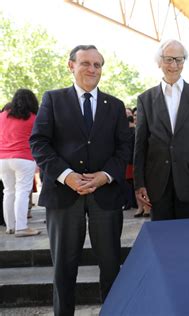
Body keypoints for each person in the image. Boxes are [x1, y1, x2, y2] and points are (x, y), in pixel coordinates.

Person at [29, 45, 131, 315]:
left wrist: (104, 176)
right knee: (64, 267)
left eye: (97, 65)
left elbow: (124, 149)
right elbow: (39, 143)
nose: (92, 69)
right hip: (64, 196)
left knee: (111, 266)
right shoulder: (53, 99)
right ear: (70, 65)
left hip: (105, 197)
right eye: (85, 63)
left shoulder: (115, 105)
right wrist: (67, 176)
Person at [134, 39, 189, 221]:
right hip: (157, 182)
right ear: (159, 61)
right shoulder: (145, 99)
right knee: (163, 239)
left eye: (179, 60)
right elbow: (140, 145)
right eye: (169, 59)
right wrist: (139, 183)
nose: (174, 65)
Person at [0, 89, 40, 237]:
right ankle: (21, 227)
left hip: (3, 159)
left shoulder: (2, 115)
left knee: (8, 192)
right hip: (23, 158)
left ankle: (10, 226)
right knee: (22, 192)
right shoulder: (33, 117)